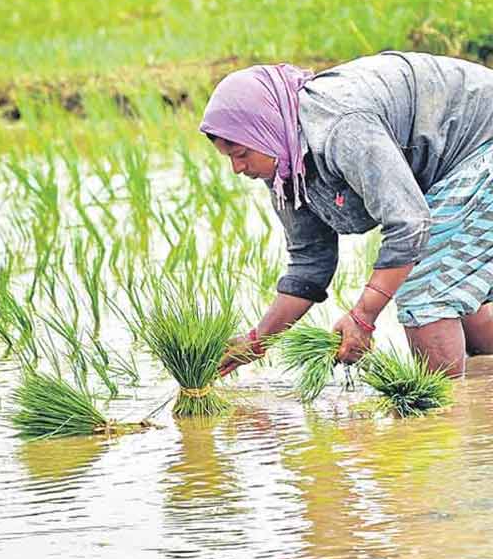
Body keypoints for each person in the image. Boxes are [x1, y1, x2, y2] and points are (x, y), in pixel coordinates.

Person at [205, 51, 493, 378]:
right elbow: (310, 260)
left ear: (265, 130)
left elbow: (409, 224)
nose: (237, 168)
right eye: (228, 157)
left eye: (241, 154)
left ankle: (444, 419)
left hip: (483, 142)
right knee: (458, 293)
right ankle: (479, 406)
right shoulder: (286, 170)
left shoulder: (341, 126)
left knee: (427, 292)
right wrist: (258, 341)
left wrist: (362, 317)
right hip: (449, 165)